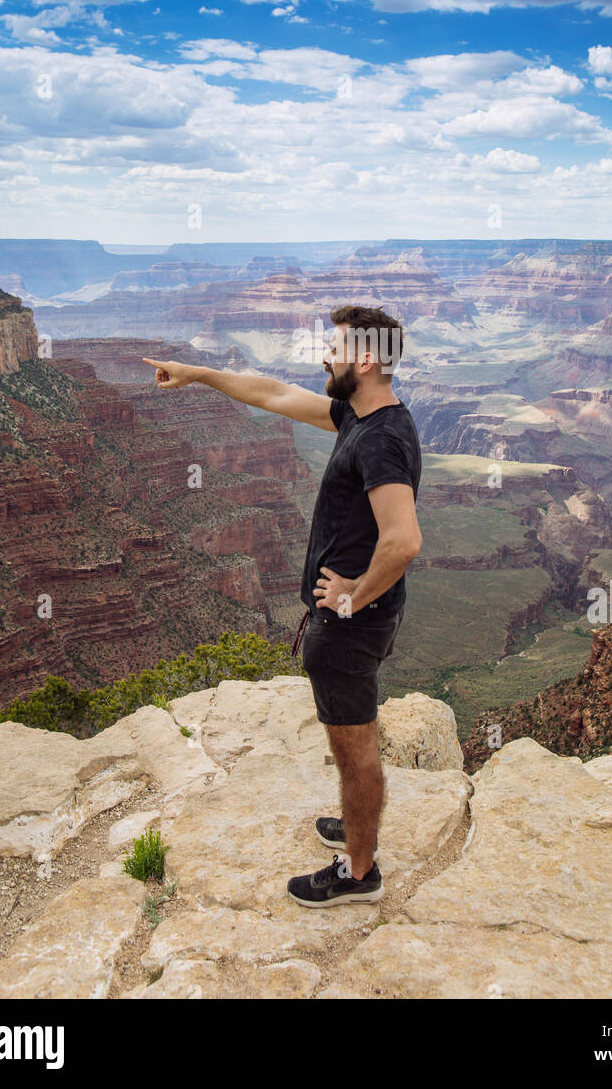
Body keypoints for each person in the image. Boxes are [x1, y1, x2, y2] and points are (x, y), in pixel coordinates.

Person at [142, 303, 422, 908]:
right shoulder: (359, 414)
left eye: (336, 346)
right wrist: (197, 372)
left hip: (351, 627)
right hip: (357, 620)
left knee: (355, 745)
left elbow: (404, 540)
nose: (324, 355)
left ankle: (359, 874)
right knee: (351, 739)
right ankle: (357, 828)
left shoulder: (381, 441)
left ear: (366, 360)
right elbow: (271, 393)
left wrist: (350, 599)